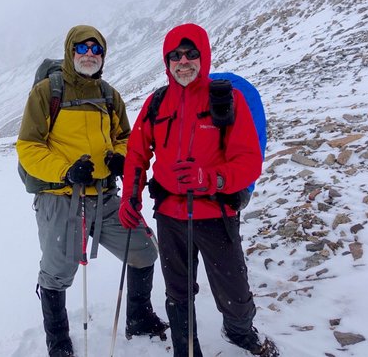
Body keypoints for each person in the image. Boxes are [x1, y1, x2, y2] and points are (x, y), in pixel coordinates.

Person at [119, 23, 278, 356]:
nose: (183, 61)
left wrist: (212, 178)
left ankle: (239, 330)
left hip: (214, 212)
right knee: (177, 293)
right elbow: (136, 152)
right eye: (175, 56)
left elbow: (248, 160)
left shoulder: (226, 99)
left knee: (234, 293)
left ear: (203, 56)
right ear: (167, 62)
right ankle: (186, 349)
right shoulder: (156, 103)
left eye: (191, 54)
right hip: (169, 214)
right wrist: (130, 196)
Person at [17, 25, 168, 357]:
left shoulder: (109, 95)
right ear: (71, 52)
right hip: (61, 199)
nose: (89, 55)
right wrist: (66, 171)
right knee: (57, 274)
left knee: (144, 251)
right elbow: (28, 146)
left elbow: (126, 137)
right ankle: (58, 342)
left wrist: (121, 158)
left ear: (103, 55)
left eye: (95, 50)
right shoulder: (47, 92)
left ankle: (139, 318)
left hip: (105, 197)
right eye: (82, 49)